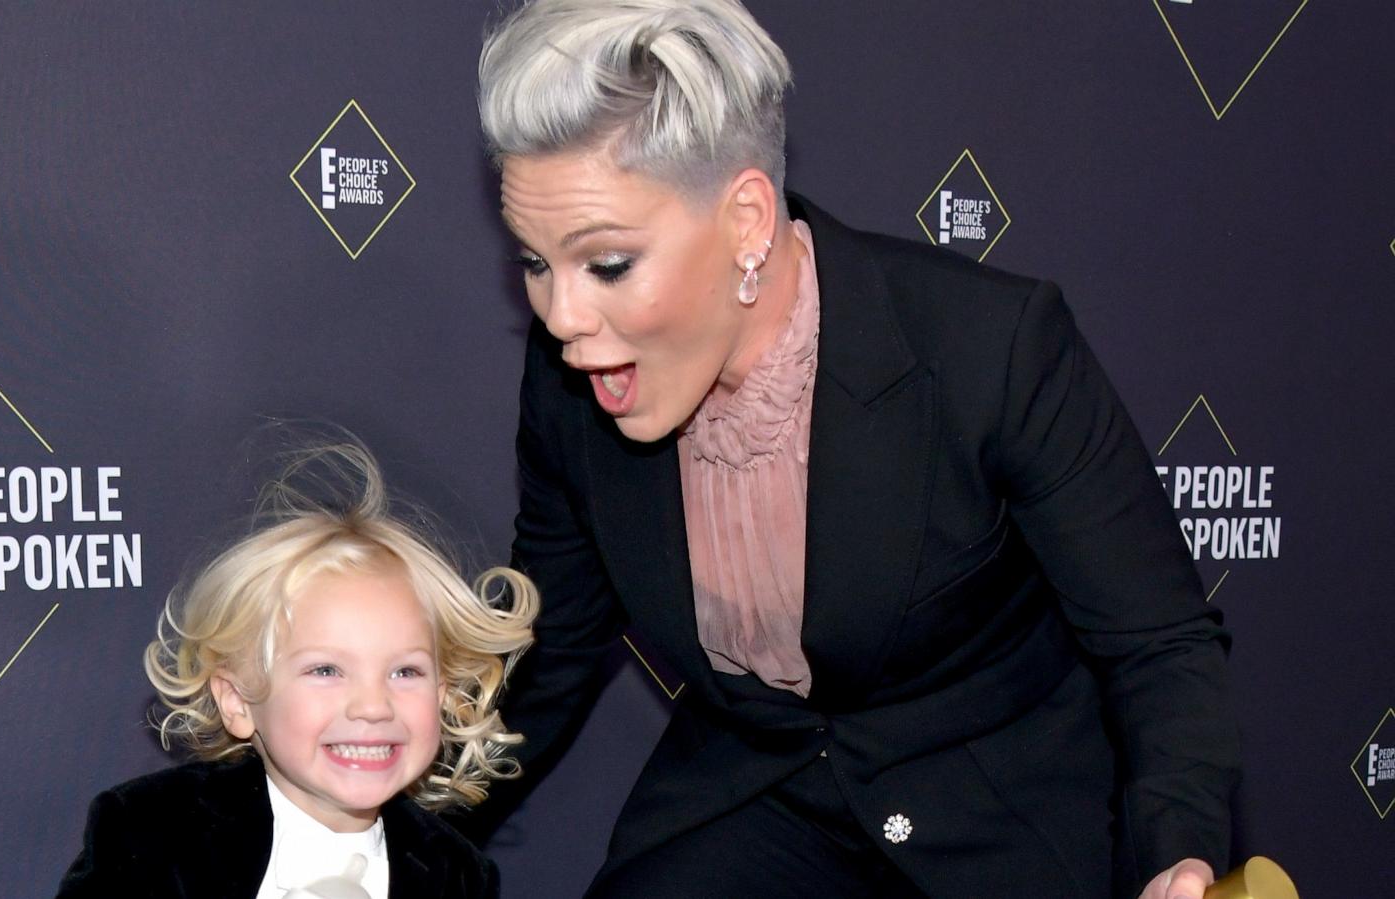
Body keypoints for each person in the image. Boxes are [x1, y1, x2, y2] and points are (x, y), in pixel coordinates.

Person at [471, 1, 1240, 896]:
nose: (562, 318)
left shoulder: (990, 347)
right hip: (753, 797)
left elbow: (1160, 643)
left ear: (747, 221)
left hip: (992, 810)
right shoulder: (576, 379)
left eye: (606, 265)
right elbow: (551, 649)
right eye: (534, 263)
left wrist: (1180, 854)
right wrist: (361, 821)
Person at [57, 444, 539, 898]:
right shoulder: (154, 831)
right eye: (327, 670)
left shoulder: (456, 874)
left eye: (405, 672)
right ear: (239, 700)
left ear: (444, 693)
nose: (372, 705)